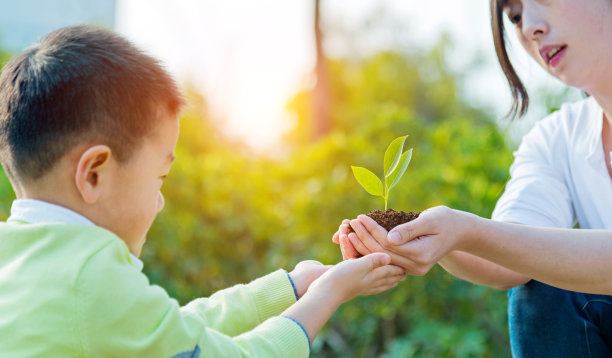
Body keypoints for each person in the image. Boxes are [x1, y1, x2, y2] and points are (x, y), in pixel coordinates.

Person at [0, 25, 406, 357]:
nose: (159, 202)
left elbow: (177, 332)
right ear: (93, 174)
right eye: (159, 178)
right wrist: (328, 294)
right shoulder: (90, 277)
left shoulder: (22, 258)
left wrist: (292, 285)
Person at [332, 0, 612, 357]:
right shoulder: (558, 139)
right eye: (515, 16)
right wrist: (432, 237)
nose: (529, 27)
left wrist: (465, 232)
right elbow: (507, 256)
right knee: (541, 280)